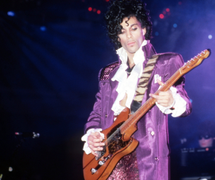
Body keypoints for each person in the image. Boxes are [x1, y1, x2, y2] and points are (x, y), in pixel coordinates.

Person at [81, 0, 192, 179]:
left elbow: (186, 105)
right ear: (117, 37)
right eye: (122, 31)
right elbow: (96, 115)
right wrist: (93, 134)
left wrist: (172, 101)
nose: (129, 37)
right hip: (109, 160)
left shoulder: (165, 63)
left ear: (144, 30)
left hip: (145, 159)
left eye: (133, 28)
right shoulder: (108, 74)